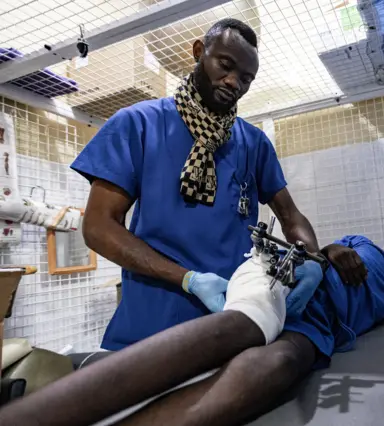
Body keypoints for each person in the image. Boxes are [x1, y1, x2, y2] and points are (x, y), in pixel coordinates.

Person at [69, 18, 365, 352]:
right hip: (154, 321)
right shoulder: (137, 125)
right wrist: (188, 279)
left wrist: (311, 261)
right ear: (199, 52)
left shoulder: (253, 143)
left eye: (246, 78)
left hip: (237, 316)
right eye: (225, 65)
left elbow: (291, 216)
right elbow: (97, 227)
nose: (233, 82)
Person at [0, 236, 384, 426]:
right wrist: (328, 252)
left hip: (316, 325)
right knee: (233, 329)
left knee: (280, 364)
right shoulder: (367, 243)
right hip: (286, 283)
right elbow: (320, 245)